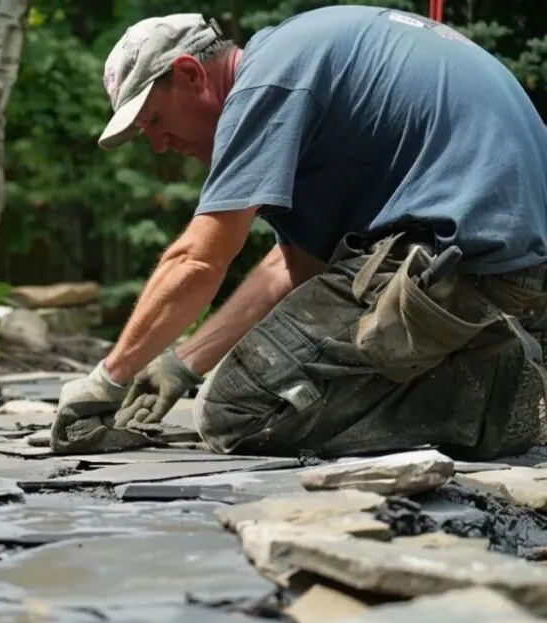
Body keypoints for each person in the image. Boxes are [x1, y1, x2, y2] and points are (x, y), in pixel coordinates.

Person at [49, 5, 547, 461]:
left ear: (190, 73)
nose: (157, 144)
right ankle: (496, 349)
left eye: (154, 119)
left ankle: (495, 392)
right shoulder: (300, 63)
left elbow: (197, 260)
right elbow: (295, 263)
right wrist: (181, 365)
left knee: (240, 411)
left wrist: (106, 379)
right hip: (512, 263)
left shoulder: (267, 84)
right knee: (258, 379)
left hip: (471, 259)